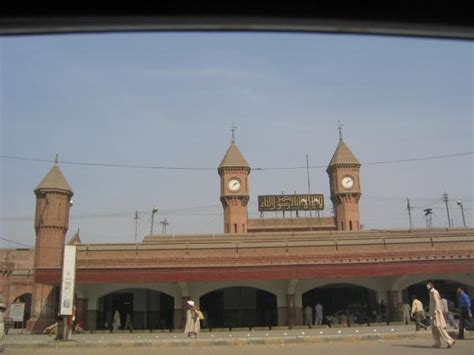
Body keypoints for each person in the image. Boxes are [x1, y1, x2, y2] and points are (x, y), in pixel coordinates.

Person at [427, 280, 455, 348]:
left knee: (439, 328)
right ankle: (437, 343)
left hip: (435, 313)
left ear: (432, 285)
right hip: (432, 313)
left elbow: (437, 303)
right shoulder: (430, 292)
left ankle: (449, 340)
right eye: (427, 284)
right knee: (434, 329)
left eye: (428, 284)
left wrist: (435, 312)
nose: (427, 285)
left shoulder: (434, 292)